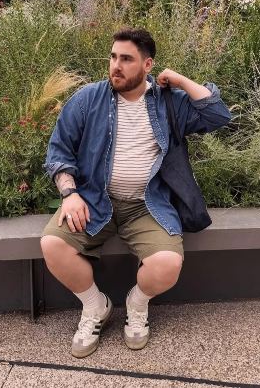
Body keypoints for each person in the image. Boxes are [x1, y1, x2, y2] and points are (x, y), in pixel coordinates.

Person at [40, 27, 231, 358]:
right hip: (95, 201)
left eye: (126, 59)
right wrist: (70, 194)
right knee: (52, 244)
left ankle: (136, 304)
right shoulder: (89, 99)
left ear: (147, 65)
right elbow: (59, 152)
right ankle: (95, 306)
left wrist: (180, 79)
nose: (116, 65)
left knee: (167, 265)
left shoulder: (168, 103)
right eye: (113, 57)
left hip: (148, 205)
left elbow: (217, 115)